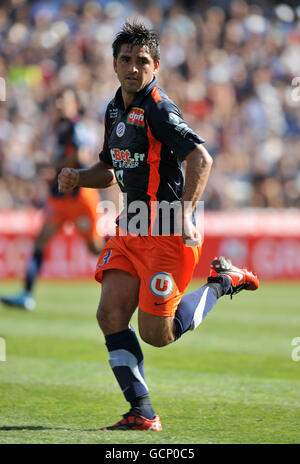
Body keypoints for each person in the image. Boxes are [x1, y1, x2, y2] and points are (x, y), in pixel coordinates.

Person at [57, 22, 259, 431]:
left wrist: (186, 212)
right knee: (110, 314)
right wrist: (80, 176)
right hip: (130, 227)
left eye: (142, 61)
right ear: (114, 64)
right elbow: (111, 171)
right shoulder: (114, 108)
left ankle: (222, 283)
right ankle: (142, 411)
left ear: (157, 66)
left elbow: (201, 158)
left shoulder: (160, 109)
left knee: (157, 335)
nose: (134, 68)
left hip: (168, 231)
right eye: (126, 60)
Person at [1, 88, 105, 311]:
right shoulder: (61, 127)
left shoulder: (76, 127)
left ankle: (130, 264)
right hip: (59, 198)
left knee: (95, 247)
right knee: (40, 241)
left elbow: (82, 155)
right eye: (57, 99)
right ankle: (26, 294)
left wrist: (51, 166)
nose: (58, 104)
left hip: (80, 197)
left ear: (76, 104)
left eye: (64, 100)